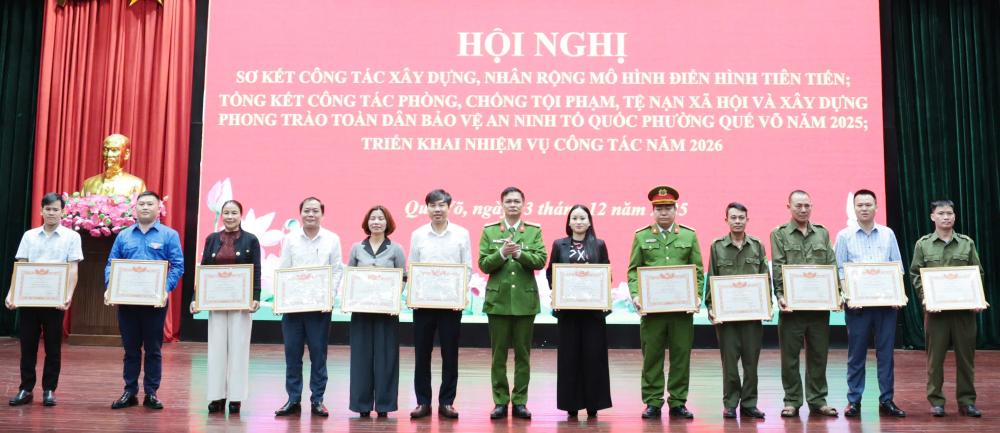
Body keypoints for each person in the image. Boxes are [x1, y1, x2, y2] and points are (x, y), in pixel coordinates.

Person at [104, 191, 184, 410]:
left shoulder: (169, 235)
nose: (145, 207)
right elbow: (111, 263)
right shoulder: (124, 235)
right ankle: (129, 391)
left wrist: (165, 289)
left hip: (154, 302)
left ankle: (151, 393)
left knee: (153, 349)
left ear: (159, 208)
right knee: (130, 349)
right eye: (141, 204)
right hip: (127, 302)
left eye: (150, 204)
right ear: (135, 208)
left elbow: (178, 266)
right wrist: (110, 286)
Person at [627, 185, 702, 420]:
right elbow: (633, 271)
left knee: (681, 356)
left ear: (676, 210)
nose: (663, 212)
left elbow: (698, 271)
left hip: (681, 311)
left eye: (668, 207)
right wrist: (636, 295)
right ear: (653, 211)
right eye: (659, 208)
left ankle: (678, 402)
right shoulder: (641, 236)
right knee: (652, 357)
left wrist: (697, 295)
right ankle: (653, 401)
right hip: (652, 312)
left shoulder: (689, 236)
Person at [6, 193, 83, 407]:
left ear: (62, 212)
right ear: (41, 211)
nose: (51, 213)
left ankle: (49, 389)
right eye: (47, 209)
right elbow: (20, 267)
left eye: (55, 209)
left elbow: (73, 270)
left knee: (53, 348)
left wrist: (68, 295)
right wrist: (12, 294)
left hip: (55, 301)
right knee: (27, 347)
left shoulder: (72, 237)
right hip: (29, 300)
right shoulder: (29, 236)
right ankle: (26, 389)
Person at [834, 190, 906, 418]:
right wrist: (849, 296)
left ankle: (887, 399)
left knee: (886, 355)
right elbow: (839, 270)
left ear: (876, 207)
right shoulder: (844, 236)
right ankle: (854, 400)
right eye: (860, 205)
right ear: (854, 208)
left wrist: (897, 295)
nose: (864, 208)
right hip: (858, 308)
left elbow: (897, 267)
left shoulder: (888, 234)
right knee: (856, 355)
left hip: (886, 306)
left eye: (868, 204)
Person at [910, 199, 984, 418]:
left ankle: (967, 401)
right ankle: (936, 401)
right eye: (941, 213)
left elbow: (977, 273)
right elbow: (915, 274)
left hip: (963, 312)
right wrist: (926, 298)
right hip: (936, 313)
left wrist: (977, 298)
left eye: (949, 213)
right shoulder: (923, 244)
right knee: (935, 360)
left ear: (954, 216)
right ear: (932, 217)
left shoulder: (966, 243)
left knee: (966, 359)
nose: (946, 217)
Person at [479, 186, 546, 420]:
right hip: (498, 302)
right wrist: (501, 253)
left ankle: (520, 401)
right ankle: (500, 401)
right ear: (502, 204)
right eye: (508, 201)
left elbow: (541, 260)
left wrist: (519, 254)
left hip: (524, 301)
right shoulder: (489, 231)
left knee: (523, 355)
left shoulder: (534, 231)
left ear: (523, 204)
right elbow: (483, 264)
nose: (513, 205)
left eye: (517, 201)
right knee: (498, 356)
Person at [190, 200, 262, 414]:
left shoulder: (251, 239)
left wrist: (255, 297)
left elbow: (256, 269)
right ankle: (217, 396)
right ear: (221, 215)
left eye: (234, 213)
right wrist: (196, 298)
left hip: (241, 303)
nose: (230, 217)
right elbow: (204, 269)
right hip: (216, 302)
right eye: (226, 213)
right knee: (216, 350)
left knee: (239, 350)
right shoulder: (212, 239)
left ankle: (236, 398)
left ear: (241, 215)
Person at [771, 190, 838, 417]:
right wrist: (780, 295)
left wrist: (836, 293)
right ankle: (792, 400)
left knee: (819, 355)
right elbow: (778, 266)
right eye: (798, 205)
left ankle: (818, 399)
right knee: (789, 357)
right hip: (792, 308)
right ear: (789, 207)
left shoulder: (822, 233)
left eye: (807, 205)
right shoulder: (779, 234)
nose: (803, 209)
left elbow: (830, 265)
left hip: (819, 308)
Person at [274, 197, 343, 417]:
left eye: (315, 211)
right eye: (306, 210)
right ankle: (293, 399)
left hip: (319, 308)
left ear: (322, 214)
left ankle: (318, 399)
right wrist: (282, 298)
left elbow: (337, 270)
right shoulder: (290, 239)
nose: (310, 214)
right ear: (300, 213)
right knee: (292, 355)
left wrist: (329, 297)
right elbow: (284, 270)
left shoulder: (332, 239)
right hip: (293, 308)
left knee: (318, 355)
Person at [408, 189, 472, 420]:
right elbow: (413, 268)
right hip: (423, 304)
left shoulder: (461, 234)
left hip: (450, 305)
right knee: (422, 354)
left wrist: (458, 295)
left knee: (450, 354)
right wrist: (414, 296)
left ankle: (447, 402)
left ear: (449, 207)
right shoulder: (418, 235)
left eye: (441, 205)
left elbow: (467, 268)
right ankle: (422, 402)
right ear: (426, 208)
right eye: (433, 205)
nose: (437, 209)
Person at [545, 204, 612, 419]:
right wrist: (558, 292)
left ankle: (594, 404)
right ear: (569, 222)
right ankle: (570, 404)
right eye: (574, 218)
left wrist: (600, 293)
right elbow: (551, 273)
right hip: (568, 312)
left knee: (594, 357)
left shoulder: (599, 245)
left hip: (593, 313)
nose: (578, 221)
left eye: (582, 218)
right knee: (569, 357)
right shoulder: (559, 244)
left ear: (589, 221)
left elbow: (607, 274)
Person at [704, 202, 768, 420]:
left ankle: (749, 404)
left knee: (751, 363)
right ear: (727, 220)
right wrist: (711, 307)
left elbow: (765, 277)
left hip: (752, 317)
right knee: (730, 364)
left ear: (747, 220)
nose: (738, 221)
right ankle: (730, 403)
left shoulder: (757, 246)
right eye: (733, 218)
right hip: (727, 318)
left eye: (741, 218)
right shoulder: (717, 247)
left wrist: (766, 306)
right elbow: (712, 277)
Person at [347, 205, 406, 418]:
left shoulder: (396, 249)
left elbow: (403, 277)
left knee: (386, 358)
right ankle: (361, 405)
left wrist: (392, 298)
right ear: (367, 222)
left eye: (381, 218)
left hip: (386, 313)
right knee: (361, 358)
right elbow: (350, 276)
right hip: (361, 312)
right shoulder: (356, 248)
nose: (377, 222)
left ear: (387, 223)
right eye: (373, 218)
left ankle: (384, 405)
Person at [80, 133, 147, 196]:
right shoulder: (88, 184)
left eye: (114, 150)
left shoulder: (136, 184)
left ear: (126, 154)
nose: (109, 155)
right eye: (106, 150)